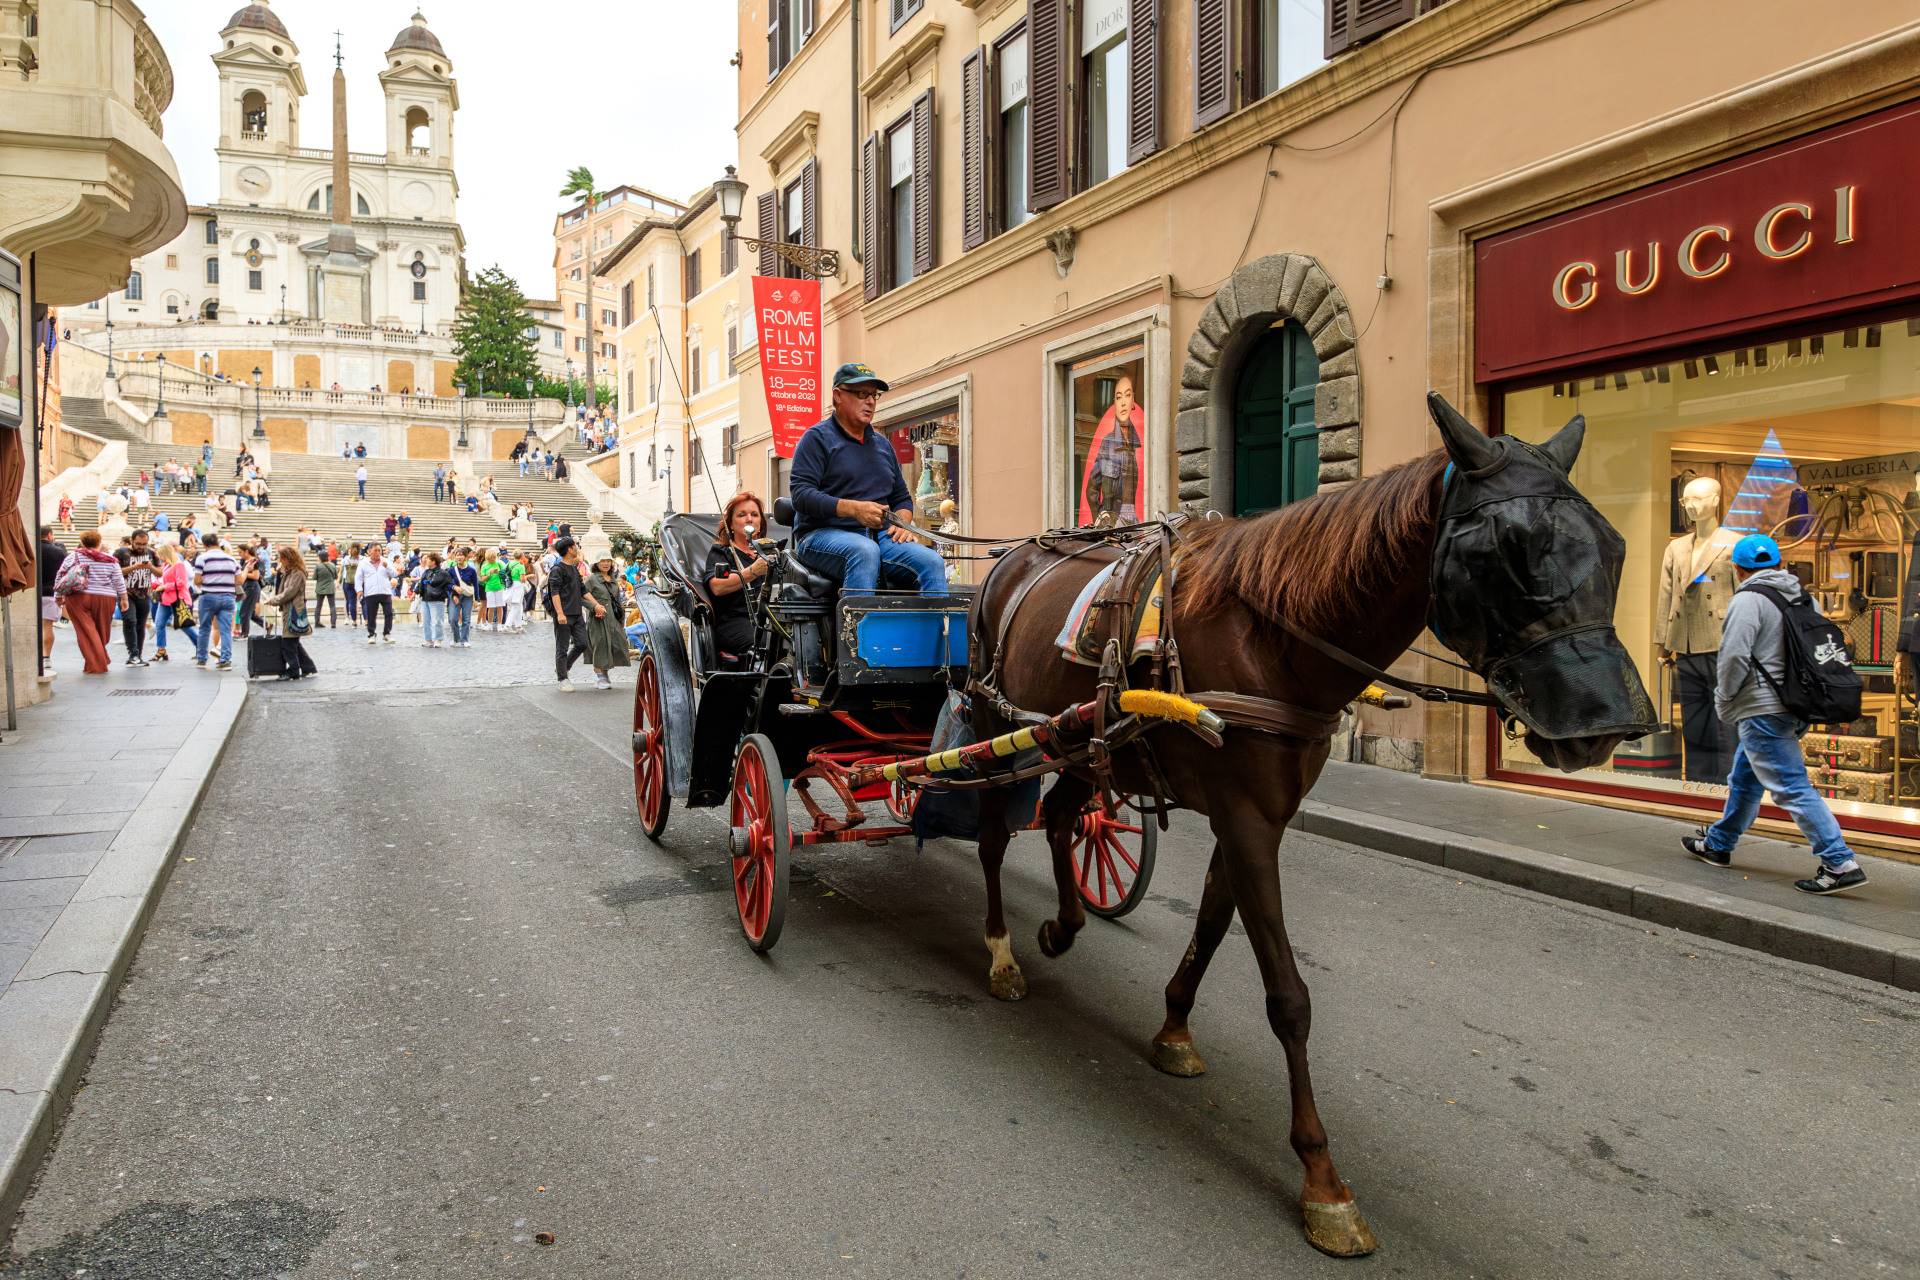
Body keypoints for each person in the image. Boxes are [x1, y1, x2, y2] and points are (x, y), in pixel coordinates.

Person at [1681, 534, 1869, 896]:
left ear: (1738, 569)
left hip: (1762, 709)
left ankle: (1839, 861)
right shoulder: (1804, 596)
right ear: (1779, 564)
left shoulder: (1748, 599)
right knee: (1747, 779)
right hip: (1796, 706)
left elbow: (1733, 657)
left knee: (1791, 787)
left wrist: (1724, 699)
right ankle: (1719, 843)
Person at [790, 363, 947, 595]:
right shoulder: (816, 438)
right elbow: (801, 496)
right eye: (862, 393)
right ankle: (856, 631)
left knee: (933, 561)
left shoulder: (883, 445)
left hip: (879, 537)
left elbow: (901, 497)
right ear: (838, 395)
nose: (871, 401)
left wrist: (902, 522)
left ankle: (937, 631)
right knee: (864, 551)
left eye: (874, 395)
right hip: (820, 536)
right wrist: (853, 509)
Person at [705, 492, 771, 660]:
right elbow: (717, 587)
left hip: (771, 620)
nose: (749, 519)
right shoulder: (722, 552)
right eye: (742, 515)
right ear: (731, 525)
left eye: (754, 515)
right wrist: (753, 571)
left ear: (760, 523)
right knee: (767, 644)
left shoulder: (771, 553)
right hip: (735, 621)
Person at [55, 529, 128, 674]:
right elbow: (118, 579)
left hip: (78, 596)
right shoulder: (110, 559)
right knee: (102, 630)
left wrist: (58, 595)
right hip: (105, 597)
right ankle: (100, 658)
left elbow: (61, 575)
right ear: (99, 542)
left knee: (86, 630)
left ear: (82, 542)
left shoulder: (74, 556)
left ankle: (96, 664)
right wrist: (124, 598)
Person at [266, 546, 317, 681]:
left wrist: (273, 600)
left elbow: (289, 592)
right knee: (293, 641)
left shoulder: (297, 573)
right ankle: (308, 667)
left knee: (288, 643)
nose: (281, 561)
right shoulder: (289, 572)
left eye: (282, 558)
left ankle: (293, 670)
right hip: (290, 610)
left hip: (294, 610)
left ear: (289, 558)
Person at [190, 531, 239, 669]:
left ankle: (202, 658)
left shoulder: (202, 558)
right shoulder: (231, 559)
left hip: (209, 596)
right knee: (226, 630)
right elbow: (239, 580)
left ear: (204, 545)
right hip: (228, 596)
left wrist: (209, 583)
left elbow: (197, 580)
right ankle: (225, 659)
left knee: (205, 628)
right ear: (218, 543)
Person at [583, 554, 632, 691]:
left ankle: (605, 674)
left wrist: (620, 619)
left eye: (608, 561)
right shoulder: (591, 579)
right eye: (602, 561)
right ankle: (599, 678)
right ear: (597, 564)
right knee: (600, 646)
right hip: (597, 619)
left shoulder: (613, 580)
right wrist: (594, 607)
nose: (605, 563)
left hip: (612, 619)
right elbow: (582, 597)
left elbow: (616, 600)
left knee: (612, 646)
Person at [114, 528, 160, 666]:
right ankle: (132, 654)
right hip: (126, 593)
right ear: (131, 541)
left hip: (145, 594)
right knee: (129, 621)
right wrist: (134, 567)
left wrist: (150, 567)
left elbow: (160, 573)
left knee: (140, 625)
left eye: (144, 544)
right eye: (138, 544)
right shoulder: (121, 552)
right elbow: (115, 572)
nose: (141, 547)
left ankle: (138, 655)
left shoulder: (152, 552)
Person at [547, 536, 588, 690]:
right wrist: (560, 613)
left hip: (577, 613)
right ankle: (563, 679)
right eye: (575, 546)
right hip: (564, 614)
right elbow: (554, 592)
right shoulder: (557, 570)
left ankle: (564, 667)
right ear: (570, 549)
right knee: (562, 647)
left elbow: (583, 591)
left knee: (582, 643)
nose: (577, 548)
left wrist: (596, 605)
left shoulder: (574, 568)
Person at [152, 542, 198, 662]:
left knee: (184, 625)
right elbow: (164, 581)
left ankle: (200, 646)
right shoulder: (166, 565)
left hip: (178, 599)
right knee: (159, 624)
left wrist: (164, 587)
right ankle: (161, 650)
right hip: (166, 599)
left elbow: (181, 583)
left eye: (160, 555)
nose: (159, 558)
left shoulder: (178, 565)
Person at [39, 526, 68, 665]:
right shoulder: (59, 552)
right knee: (47, 626)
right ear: (50, 535)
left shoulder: (31, 549)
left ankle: (35, 656)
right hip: (51, 593)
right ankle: (46, 658)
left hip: (32, 592)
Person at [357, 544, 397, 643]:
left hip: (385, 591)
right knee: (371, 614)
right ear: (369, 551)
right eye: (375, 550)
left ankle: (387, 633)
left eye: (379, 550)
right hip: (371, 592)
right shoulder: (363, 563)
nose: (378, 553)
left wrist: (387, 566)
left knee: (388, 613)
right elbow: (358, 577)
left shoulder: (386, 561)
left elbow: (394, 573)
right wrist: (359, 590)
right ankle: (371, 634)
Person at [415, 551, 453, 648]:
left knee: (437, 620)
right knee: (426, 620)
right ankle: (428, 639)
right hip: (425, 598)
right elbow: (421, 583)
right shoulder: (426, 572)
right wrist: (415, 592)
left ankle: (437, 639)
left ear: (434, 561)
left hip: (437, 599)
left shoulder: (443, 573)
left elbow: (450, 584)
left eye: (428, 559)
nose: (426, 560)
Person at [447, 547, 478, 646]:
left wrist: (476, 598)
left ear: (465, 557)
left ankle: (465, 640)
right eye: (457, 555)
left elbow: (475, 584)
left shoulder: (471, 570)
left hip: (467, 596)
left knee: (466, 618)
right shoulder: (451, 570)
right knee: (453, 618)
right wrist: (454, 591)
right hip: (455, 596)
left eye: (461, 555)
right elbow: (447, 583)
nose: (459, 557)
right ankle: (456, 638)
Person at [313, 550, 339, 628]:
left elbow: (314, 577)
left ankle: (317, 622)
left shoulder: (318, 566)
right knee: (332, 606)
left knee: (318, 606)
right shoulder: (332, 565)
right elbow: (335, 576)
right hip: (330, 588)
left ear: (320, 558)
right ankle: (333, 622)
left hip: (320, 588)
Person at [503, 551, 528, 633]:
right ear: (521, 556)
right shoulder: (521, 566)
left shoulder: (509, 563)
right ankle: (507, 625)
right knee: (516, 606)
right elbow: (522, 579)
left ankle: (518, 626)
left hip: (509, 585)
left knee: (518, 606)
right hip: (518, 586)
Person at [341, 542, 362, 624]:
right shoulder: (362, 559)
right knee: (363, 602)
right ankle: (367, 621)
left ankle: (354, 621)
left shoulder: (346, 559)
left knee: (351, 601)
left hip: (349, 581)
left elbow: (341, 570)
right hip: (359, 581)